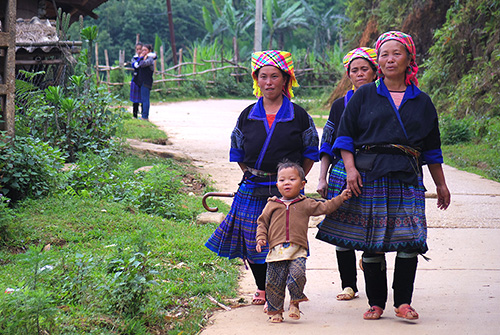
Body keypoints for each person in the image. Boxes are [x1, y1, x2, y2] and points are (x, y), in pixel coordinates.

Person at [315, 31, 451, 320]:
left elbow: (433, 149)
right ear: (379, 61)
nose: (390, 59)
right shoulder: (364, 95)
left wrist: (441, 184)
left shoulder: (422, 101)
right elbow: (344, 137)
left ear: (409, 59)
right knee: (372, 242)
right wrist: (350, 170)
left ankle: (403, 302)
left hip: (406, 176)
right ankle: (376, 302)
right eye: (384, 54)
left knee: (410, 240)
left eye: (396, 53)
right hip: (369, 175)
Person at [205, 50, 320, 309]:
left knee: (283, 240)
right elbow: (237, 150)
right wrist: (250, 173)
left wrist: (296, 181)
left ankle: (282, 287)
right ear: (257, 80)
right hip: (253, 186)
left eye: (275, 76)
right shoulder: (247, 114)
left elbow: (311, 150)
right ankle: (264, 288)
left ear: (285, 80)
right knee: (253, 239)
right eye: (263, 77)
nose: (269, 82)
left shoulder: (299, 115)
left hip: (286, 190)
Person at [316, 47, 378, 301]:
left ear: (376, 72)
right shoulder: (340, 104)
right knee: (342, 230)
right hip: (342, 171)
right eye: (355, 70)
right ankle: (348, 285)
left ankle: (369, 265)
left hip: (374, 171)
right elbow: (327, 142)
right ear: (348, 74)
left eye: (365, 69)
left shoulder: (384, 101)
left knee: (372, 228)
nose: (360, 74)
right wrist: (322, 177)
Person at [256, 161, 351, 323]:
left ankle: (295, 302)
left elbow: (326, 207)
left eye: (292, 179)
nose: (287, 183)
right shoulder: (272, 204)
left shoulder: (306, 203)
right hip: (276, 251)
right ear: (277, 184)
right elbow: (262, 222)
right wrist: (261, 238)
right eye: (282, 180)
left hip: (297, 250)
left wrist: (341, 198)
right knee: (274, 283)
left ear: (302, 184)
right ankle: (276, 311)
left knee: (297, 276)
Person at [132, 44, 156, 121]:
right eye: (142, 50)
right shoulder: (145, 58)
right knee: (143, 99)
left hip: (146, 81)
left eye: (145, 50)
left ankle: (145, 116)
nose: (143, 52)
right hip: (142, 81)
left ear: (149, 51)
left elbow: (142, 64)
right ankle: (143, 115)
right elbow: (136, 64)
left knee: (145, 99)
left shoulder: (150, 59)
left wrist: (142, 58)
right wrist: (141, 58)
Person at [130, 42, 143, 118]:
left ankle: (143, 115)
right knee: (135, 100)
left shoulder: (146, 58)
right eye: (137, 49)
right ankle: (135, 115)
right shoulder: (134, 58)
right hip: (135, 80)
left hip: (143, 80)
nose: (139, 51)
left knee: (143, 99)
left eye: (140, 49)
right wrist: (140, 58)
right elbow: (135, 66)